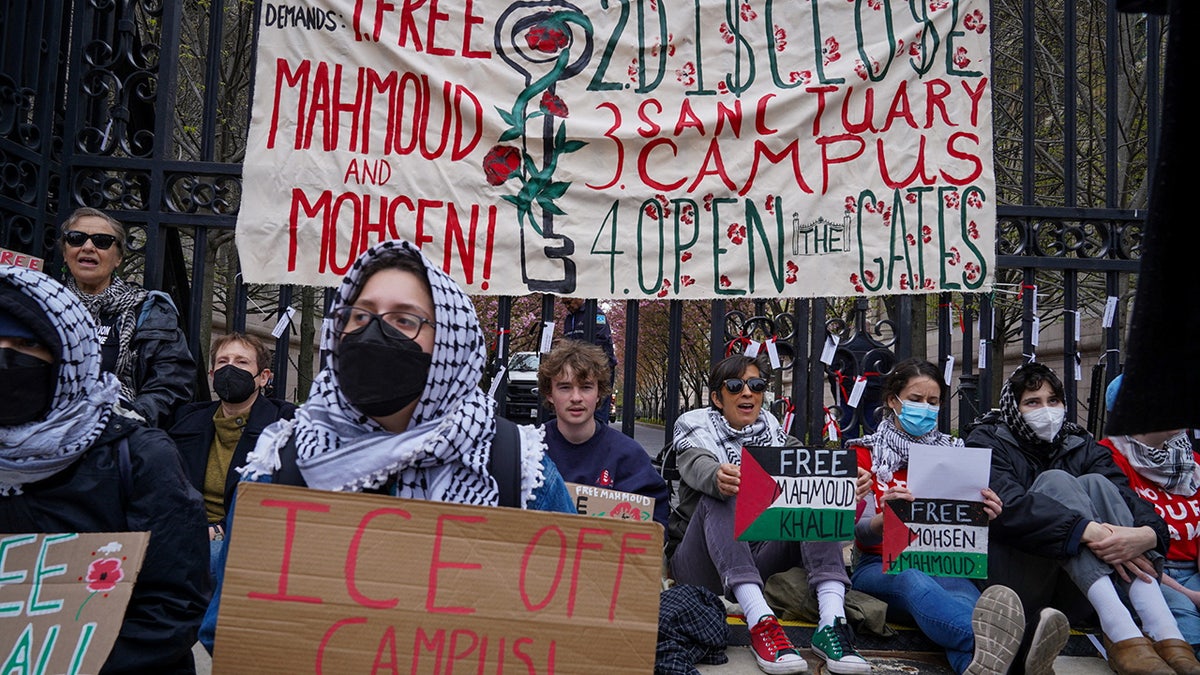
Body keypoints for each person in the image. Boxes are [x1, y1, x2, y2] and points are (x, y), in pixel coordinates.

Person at [200, 238, 576, 651]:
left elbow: (575, 627)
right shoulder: (284, 460)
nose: (374, 332)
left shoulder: (517, 468)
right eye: (360, 316)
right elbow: (230, 630)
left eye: (404, 319)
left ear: (448, 340)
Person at [0, 265, 209, 673]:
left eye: (26, 343)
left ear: (65, 355)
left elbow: (174, 606)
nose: (6, 357)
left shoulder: (141, 457)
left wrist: (68, 663)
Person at [967, 361, 1200, 675]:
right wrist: (1084, 529)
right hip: (1017, 581)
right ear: (1014, 407)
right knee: (1056, 481)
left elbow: (1125, 495)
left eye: (1053, 400)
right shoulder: (986, 439)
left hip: (1078, 592)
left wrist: (1148, 534)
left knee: (1097, 483)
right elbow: (1009, 507)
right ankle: (1121, 631)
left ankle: (1164, 630)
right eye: (1032, 402)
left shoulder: (1080, 442)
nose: (1046, 410)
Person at [668, 354, 872, 675]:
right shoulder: (694, 427)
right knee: (728, 488)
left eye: (756, 385)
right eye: (735, 386)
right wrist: (716, 476)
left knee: (815, 493)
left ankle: (832, 622)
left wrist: (844, 480)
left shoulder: (776, 434)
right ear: (717, 399)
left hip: (758, 558)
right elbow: (696, 464)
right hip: (700, 565)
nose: (747, 393)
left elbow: (810, 465)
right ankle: (761, 623)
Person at [848, 358, 1044, 674]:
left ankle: (980, 664)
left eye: (933, 401)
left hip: (944, 562)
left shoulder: (956, 455)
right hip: (878, 565)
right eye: (915, 399)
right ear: (893, 401)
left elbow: (967, 530)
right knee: (913, 580)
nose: (925, 408)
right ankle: (1021, 652)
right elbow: (855, 532)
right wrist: (884, 521)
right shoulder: (864, 456)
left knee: (966, 605)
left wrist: (988, 515)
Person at [168, 332, 297, 578]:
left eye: (241, 362)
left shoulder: (284, 423)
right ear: (212, 374)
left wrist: (219, 531)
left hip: (245, 537)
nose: (230, 369)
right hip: (186, 530)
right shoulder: (187, 420)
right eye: (223, 361)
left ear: (263, 377)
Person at [59, 206, 195, 427]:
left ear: (118, 258)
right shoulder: (41, 306)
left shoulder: (150, 312)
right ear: (65, 253)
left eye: (102, 241)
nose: (88, 247)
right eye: (76, 238)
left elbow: (172, 384)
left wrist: (124, 420)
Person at [1101, 374, 1200, 656]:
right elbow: (1124, 542)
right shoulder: (1108, 458)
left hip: (1193, 570)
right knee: (1190, 635)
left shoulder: (1192, 462)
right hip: (1147, 572)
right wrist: (1190, 596)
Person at [538, 339, 669, 530]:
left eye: (586, 387)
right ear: (550, 394)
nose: (576, 398)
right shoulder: (528, 449)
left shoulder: (628, 455)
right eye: (565, 387)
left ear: (599, 393)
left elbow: (655, 523)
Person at [561, 296, 617, 423]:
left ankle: (599, 431)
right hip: (579, 367)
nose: (567, 307)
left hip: (600, 367)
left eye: (569, 302)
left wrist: (571, 346)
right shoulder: (569, 318)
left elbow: (601, 341)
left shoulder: (595, 314)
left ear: (578, 297)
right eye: (564, 304)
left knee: (599, 408)